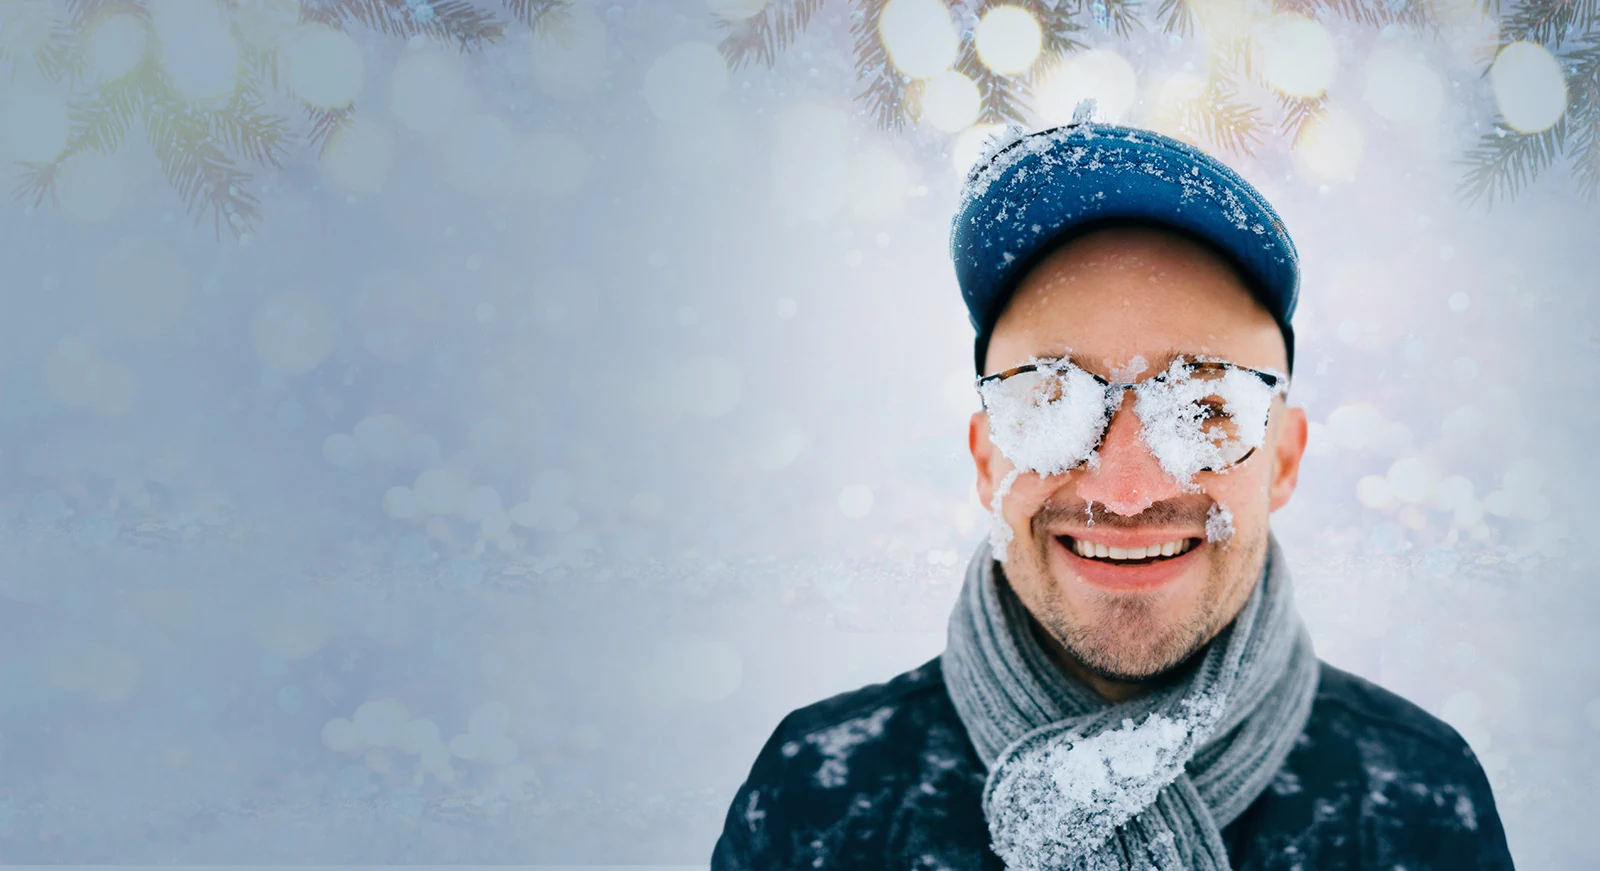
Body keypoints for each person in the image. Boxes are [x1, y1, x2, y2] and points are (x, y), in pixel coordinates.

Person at [710, 116, 1515, 870]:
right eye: (1051, 400)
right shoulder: (814, 798)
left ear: (1284, 458)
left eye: (1204, 407)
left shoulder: (1423, 802)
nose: (1126, 490)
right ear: (988, 460)